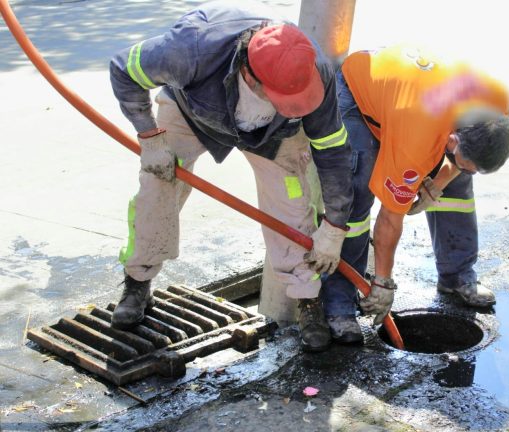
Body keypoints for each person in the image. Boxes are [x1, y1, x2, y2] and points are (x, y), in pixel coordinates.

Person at [108, 0, 354, 353]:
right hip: (194, 112)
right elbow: (123, 69)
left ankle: (307, 298)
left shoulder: (313, 70)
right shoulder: (192, 48)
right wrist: (150, 136)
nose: (295, 99)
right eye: (284, 96)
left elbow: (332, 152)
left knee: (292, 203)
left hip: (275, 134)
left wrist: (334, 226)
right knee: (156, 185)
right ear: (250, 76)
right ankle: (137, 281)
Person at [320, 44, 509, 343]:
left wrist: (439, 182)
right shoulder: (417, 139)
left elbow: (461, 163)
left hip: (413, 99)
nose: (468, 169)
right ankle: (340, 305)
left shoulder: (496, 101)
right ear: (451, 141)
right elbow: (389, 218)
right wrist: (384, 283)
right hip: (358, 96)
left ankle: (456, 275)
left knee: (458, 184)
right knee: (356, 194)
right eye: (466, 164)